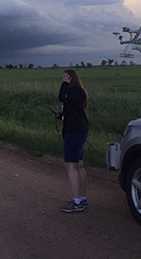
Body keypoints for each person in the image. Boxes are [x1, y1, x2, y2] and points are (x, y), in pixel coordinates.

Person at [52, 68, 90, 212]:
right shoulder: (75, 93)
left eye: (65, 77)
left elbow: (61, 97)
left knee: (70, 165)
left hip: (74, 132)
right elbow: (72, 111)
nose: (63, 79)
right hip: (77, 130)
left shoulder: (76, 92)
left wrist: (64, 84)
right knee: (78, 164)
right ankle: (82, 198)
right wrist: (60, 116)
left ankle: (77, 201)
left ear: (71, 78)